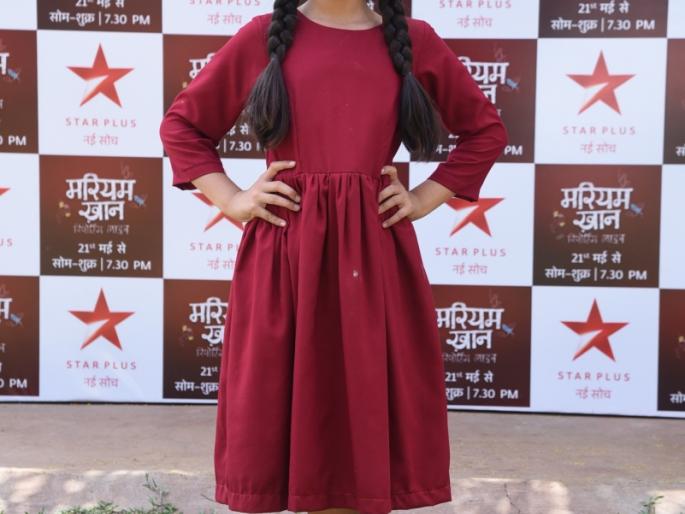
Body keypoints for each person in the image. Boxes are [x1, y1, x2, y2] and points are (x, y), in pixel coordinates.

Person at [159, 0, 507, 513]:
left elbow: (485, 131)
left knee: (360, 413)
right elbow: (182, 126)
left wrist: (422, 199)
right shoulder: (262, 36)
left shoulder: (415, 39)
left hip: (372, 257)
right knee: (282, 408)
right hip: (286, 254)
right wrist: (232, 199)